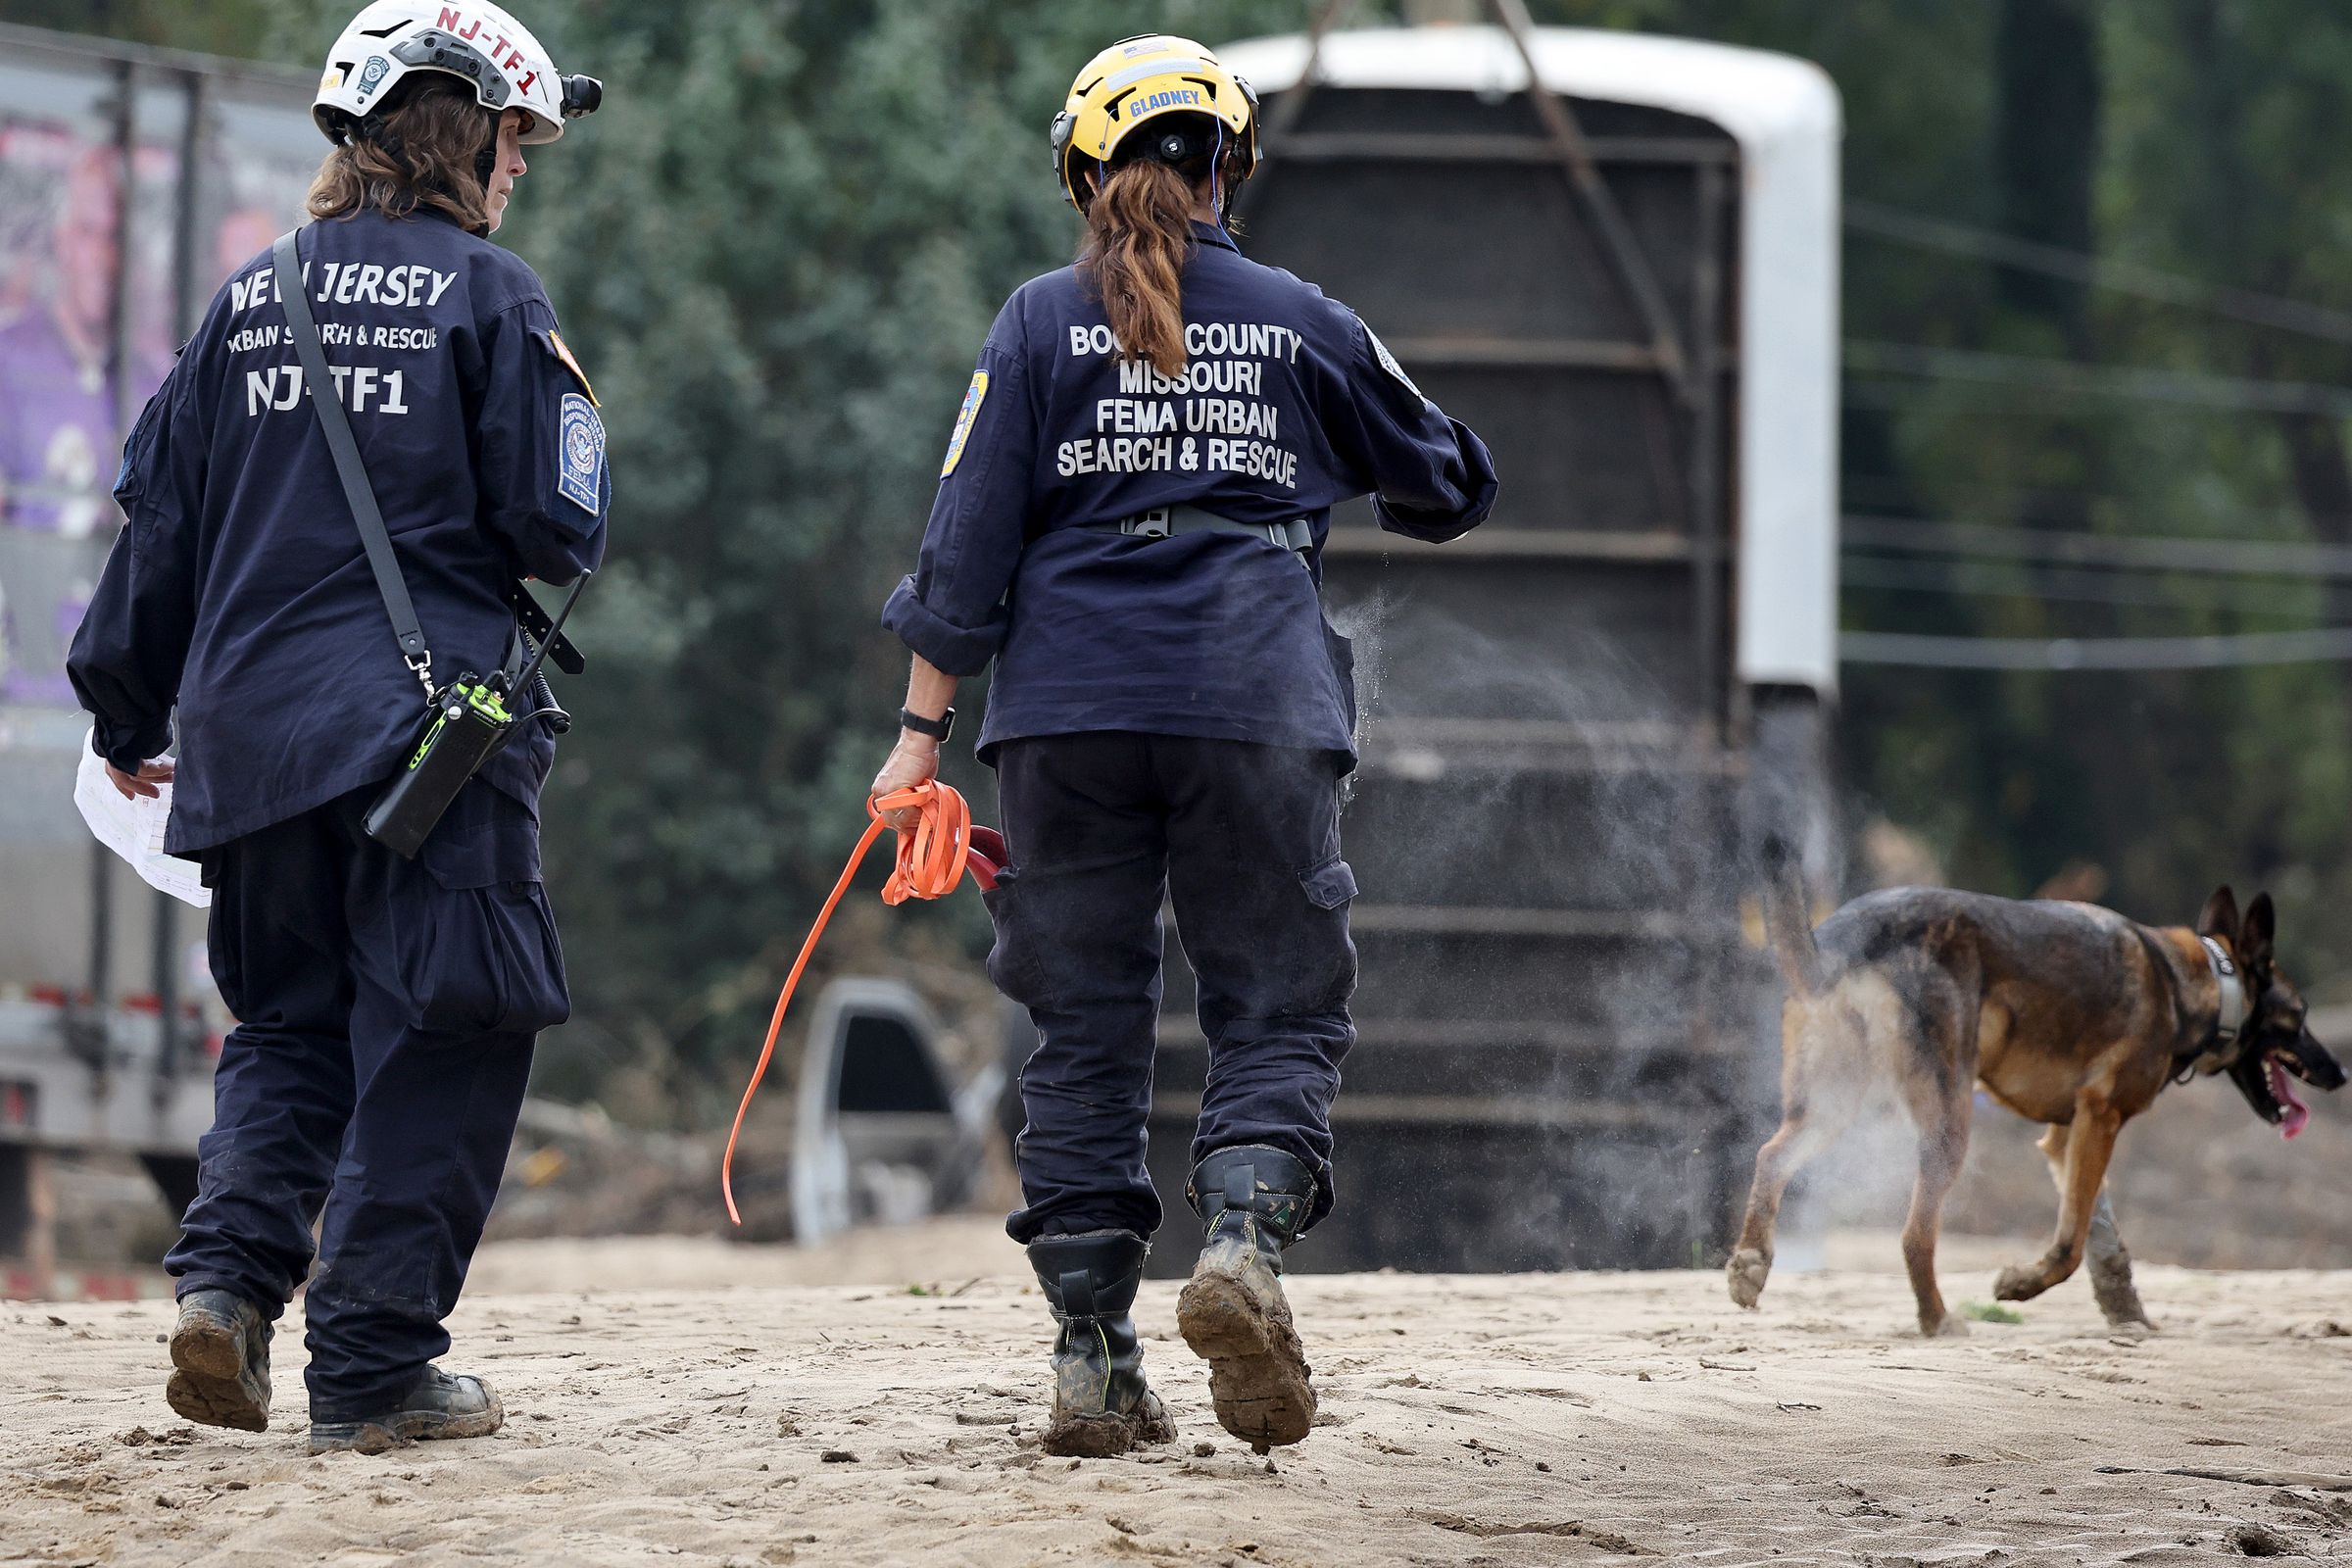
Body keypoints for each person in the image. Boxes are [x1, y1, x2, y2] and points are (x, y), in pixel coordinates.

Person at [872, 34, 1496, 1459]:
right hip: (1251, 705)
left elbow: (960, 557)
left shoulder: (1034, 323)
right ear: (1233, 169)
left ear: (1084, 176)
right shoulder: (1298, 316)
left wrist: (918, 741)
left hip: (1066, 718)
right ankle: (1244, 1249)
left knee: (1081, 1034)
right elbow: (1451, 481)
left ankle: (1093, 1364)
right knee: (1274, 1003)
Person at [66, 0, 606, 1454]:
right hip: (424, 747)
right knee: (456, 1024)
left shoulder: (248, 299)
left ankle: (227, 1296)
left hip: (249, 752)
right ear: (470, 134)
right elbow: (559, 526)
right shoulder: (497, 299)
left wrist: (124, 706)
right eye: (517, 143)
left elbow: (156, 535)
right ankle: (369, 1371)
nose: (520, 171)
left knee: (289, 1030)